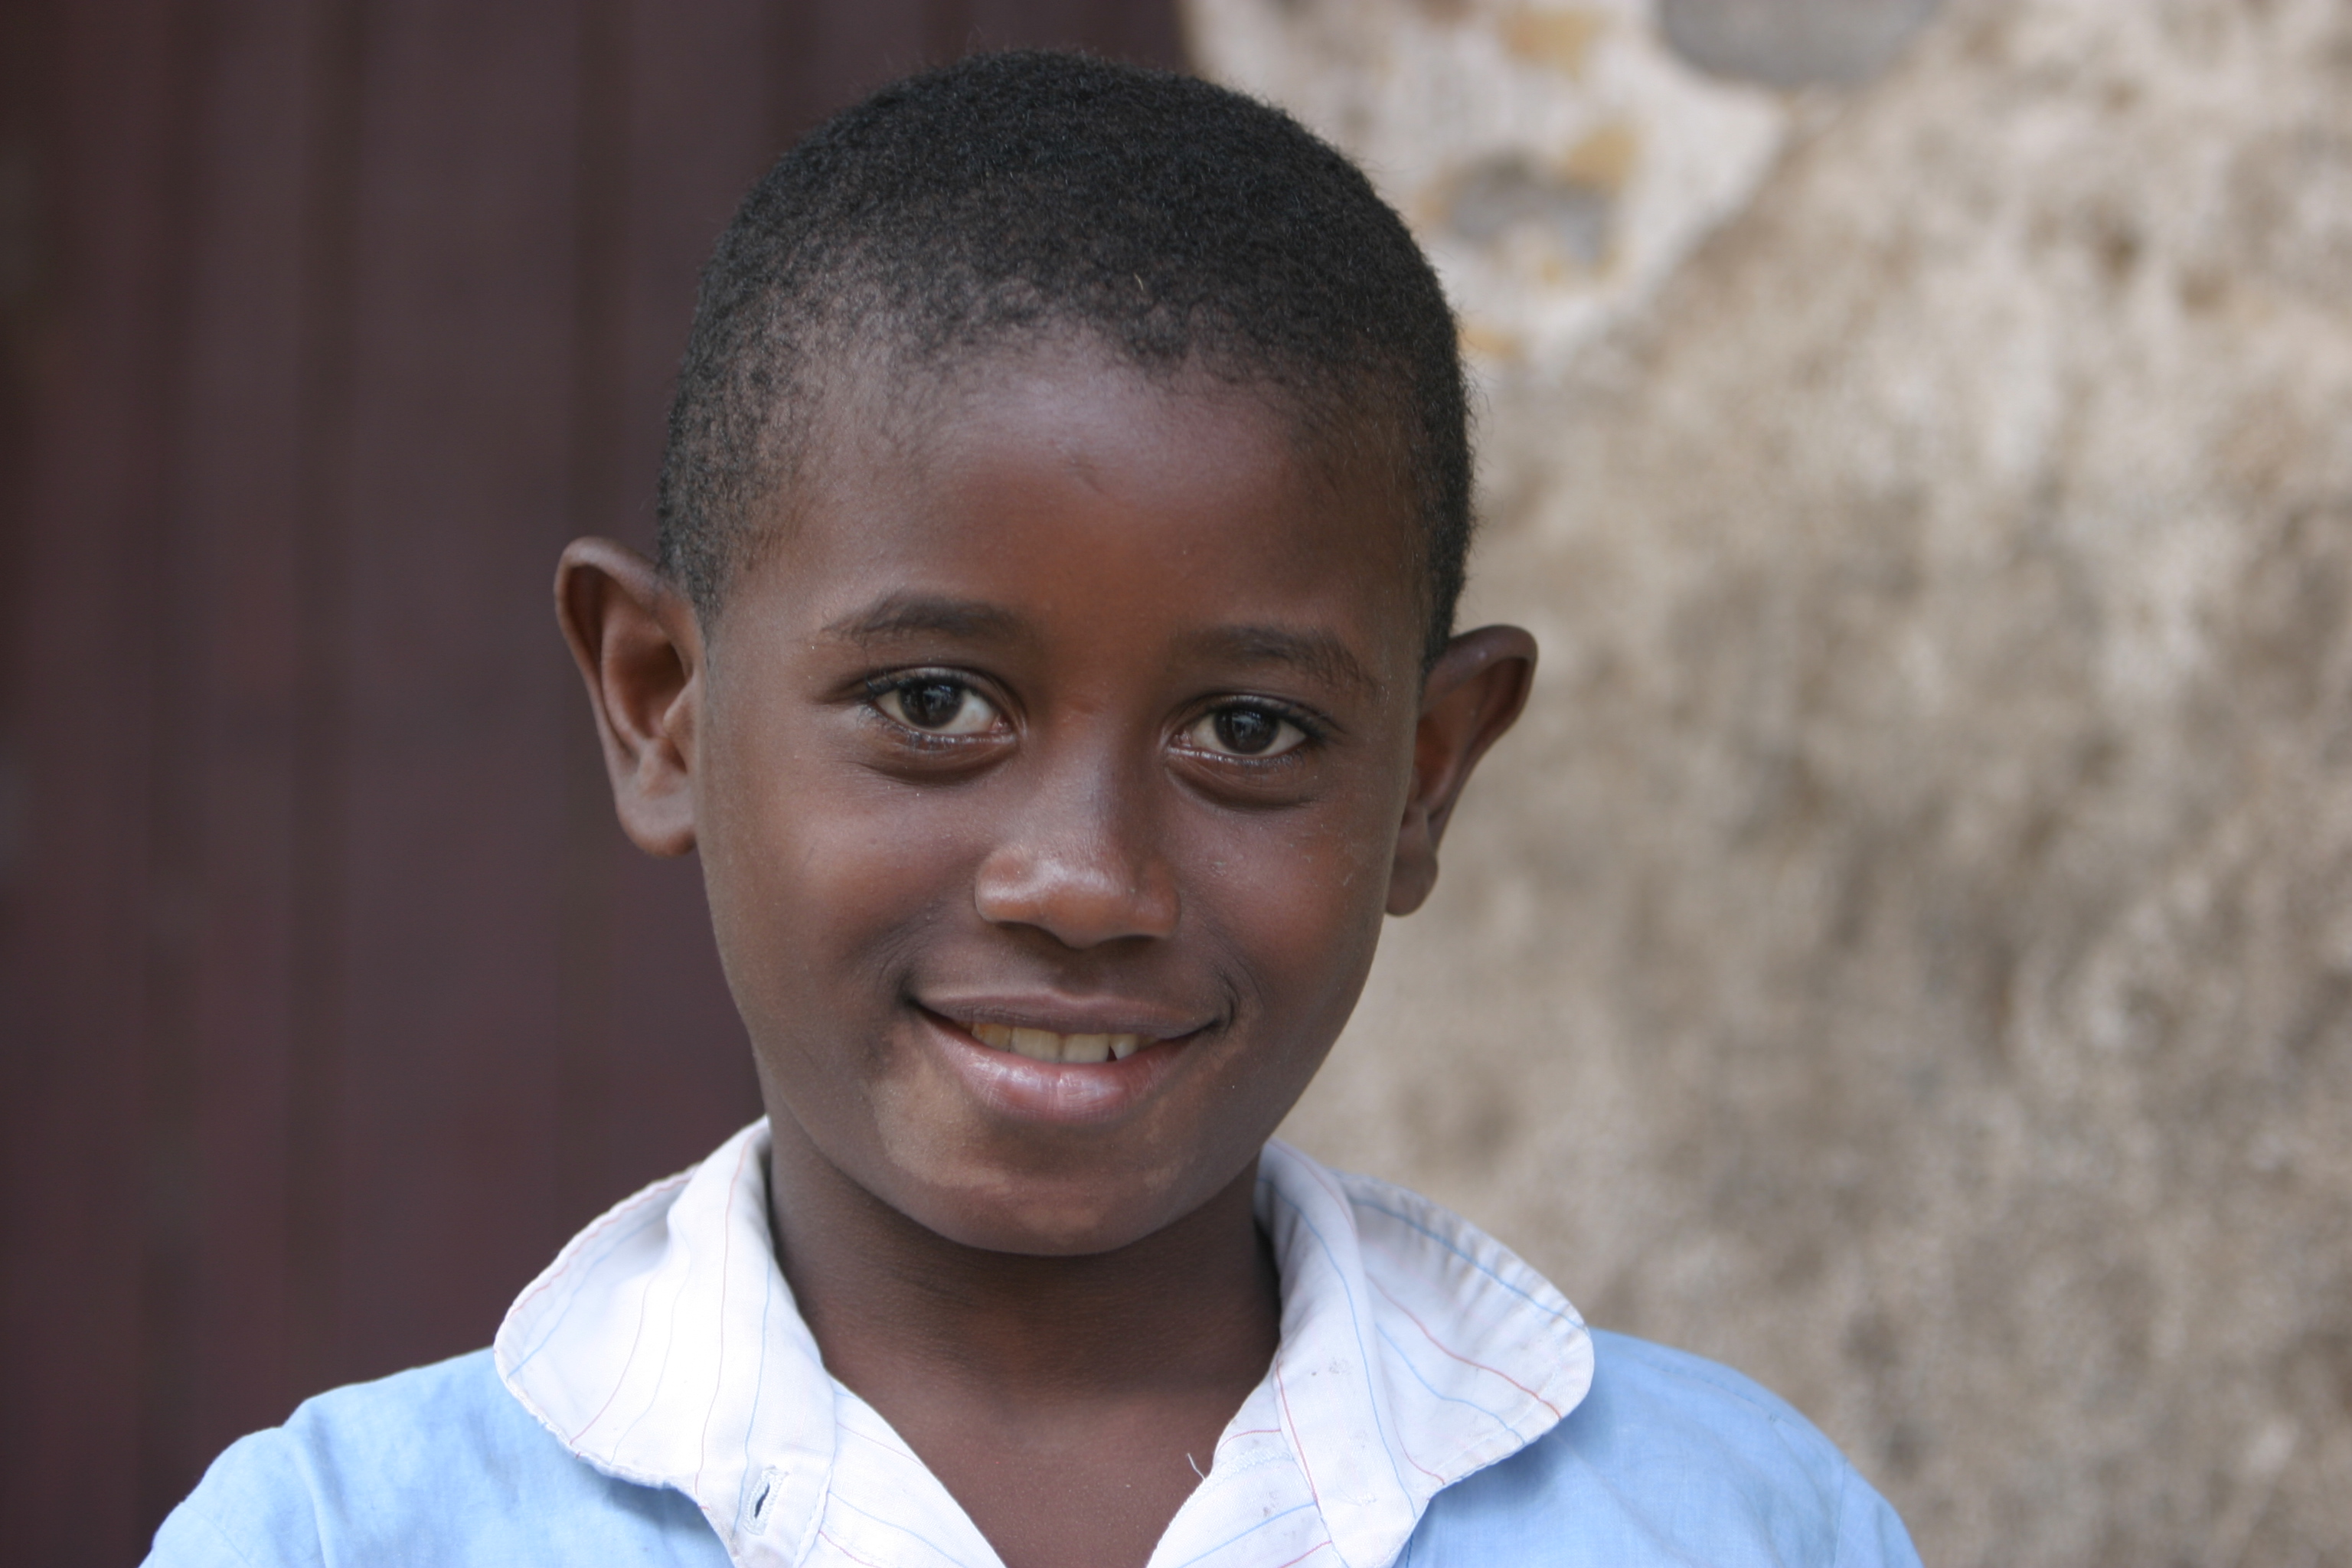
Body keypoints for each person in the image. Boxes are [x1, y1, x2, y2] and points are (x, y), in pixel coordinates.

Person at [146, 51, 1922, 1568]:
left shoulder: (1727, 1522)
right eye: (934, 705)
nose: (1084, 880)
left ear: (1428, 773)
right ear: (659, 707)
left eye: (1248, 727)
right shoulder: (340, 1536)